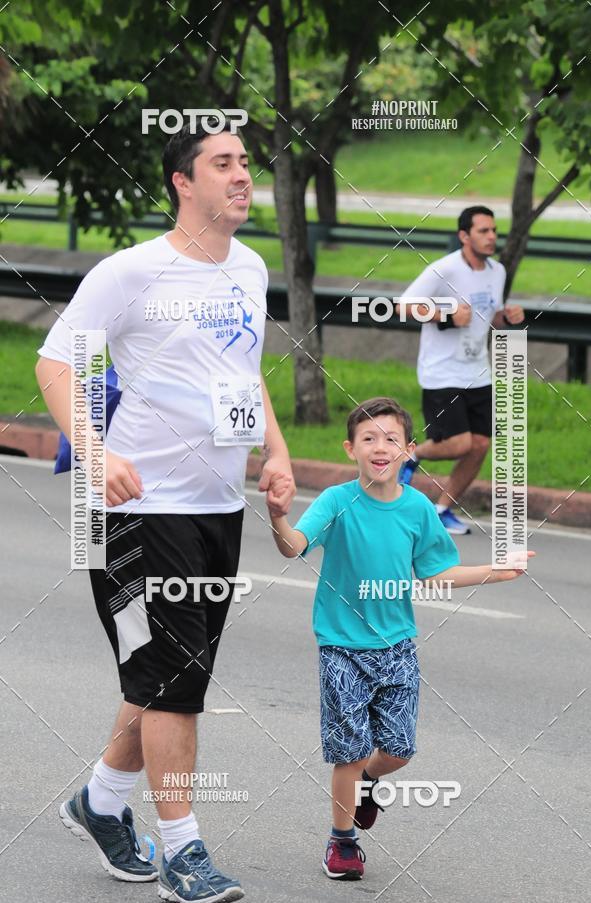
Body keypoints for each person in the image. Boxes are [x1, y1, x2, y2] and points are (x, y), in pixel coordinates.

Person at [35, 123, 295, 903]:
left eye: (246, 163)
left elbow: (245, 376)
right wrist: (93, 449)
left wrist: (276, 454)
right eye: (224, 163)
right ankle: (184, 852)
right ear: (183, 182)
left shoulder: (248, 267)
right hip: (141, 511)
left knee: (163, 674)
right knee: (174, 680)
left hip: (220, 506)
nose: (243, 175)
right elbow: (58, 362)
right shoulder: (133, 272)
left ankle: (101, 803)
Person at [267, 396, 533, 881]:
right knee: (347, 751)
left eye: (391, 438)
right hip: (340, 646)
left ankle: (367, 782)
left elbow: (438, 571)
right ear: (351, 449)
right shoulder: (335, 501)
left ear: (409, 450)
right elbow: (294, 548)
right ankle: (342, 843)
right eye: (368, 438)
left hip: (397, 646)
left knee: (398, 749)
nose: (380, 446)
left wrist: (496, 571)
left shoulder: (417, 509)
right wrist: (278, 517)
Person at [396, 206, 524, 534]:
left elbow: (488, 315)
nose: (492, 237)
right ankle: (410, 454)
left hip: (478, 371)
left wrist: (505, 318)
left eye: (494, 230)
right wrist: (447, 316)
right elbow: (403, 306)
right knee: (459, 443)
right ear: (464, 236)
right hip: (442, 372)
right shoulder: (444, 270)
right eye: (483, 231)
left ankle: (442, 510)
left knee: (480, 445)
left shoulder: (497, 271)